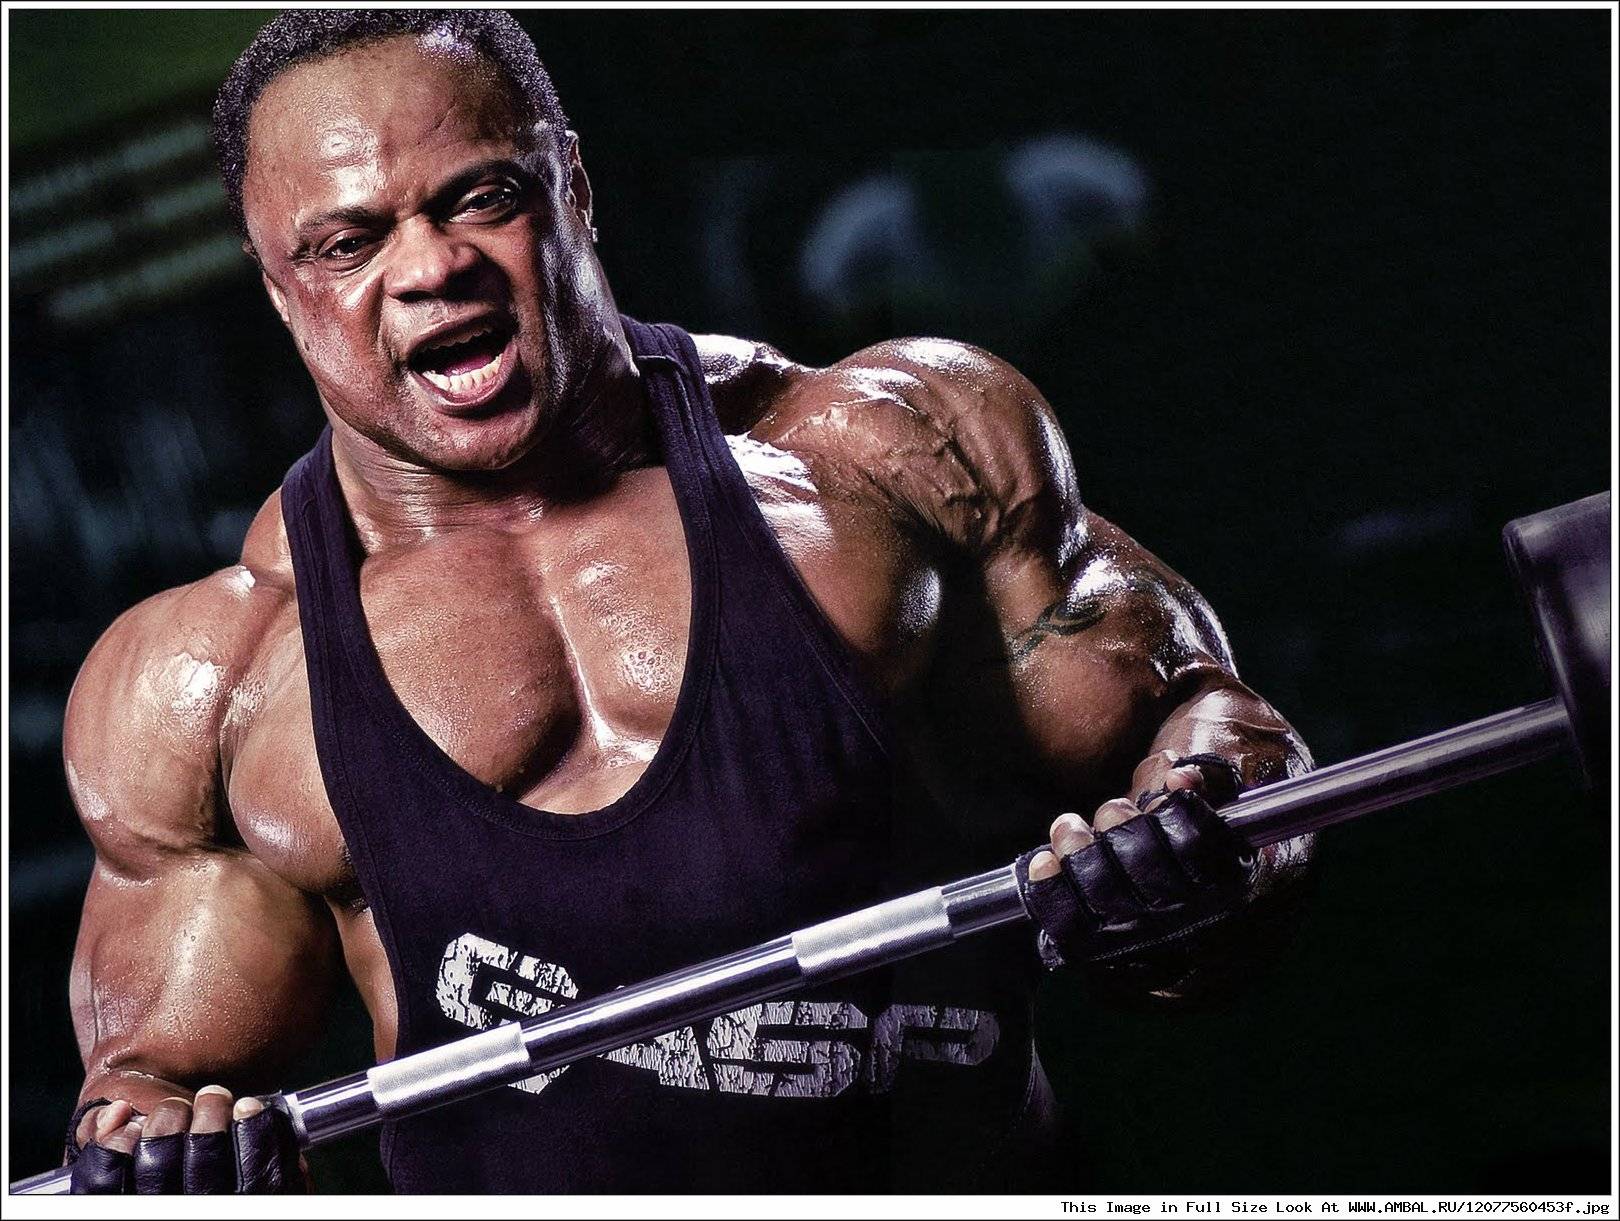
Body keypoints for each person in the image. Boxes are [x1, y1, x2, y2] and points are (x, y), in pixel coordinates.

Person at [59, 9, 1313, 1194]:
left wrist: (1195, 838)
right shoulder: (209, 681)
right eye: (348, 242)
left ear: (573, 186)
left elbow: (1206, 725)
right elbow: (152, 1085)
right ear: (280, 287)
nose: (433, 266)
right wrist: (159, 1153)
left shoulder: (885, 457)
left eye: (481, 197)